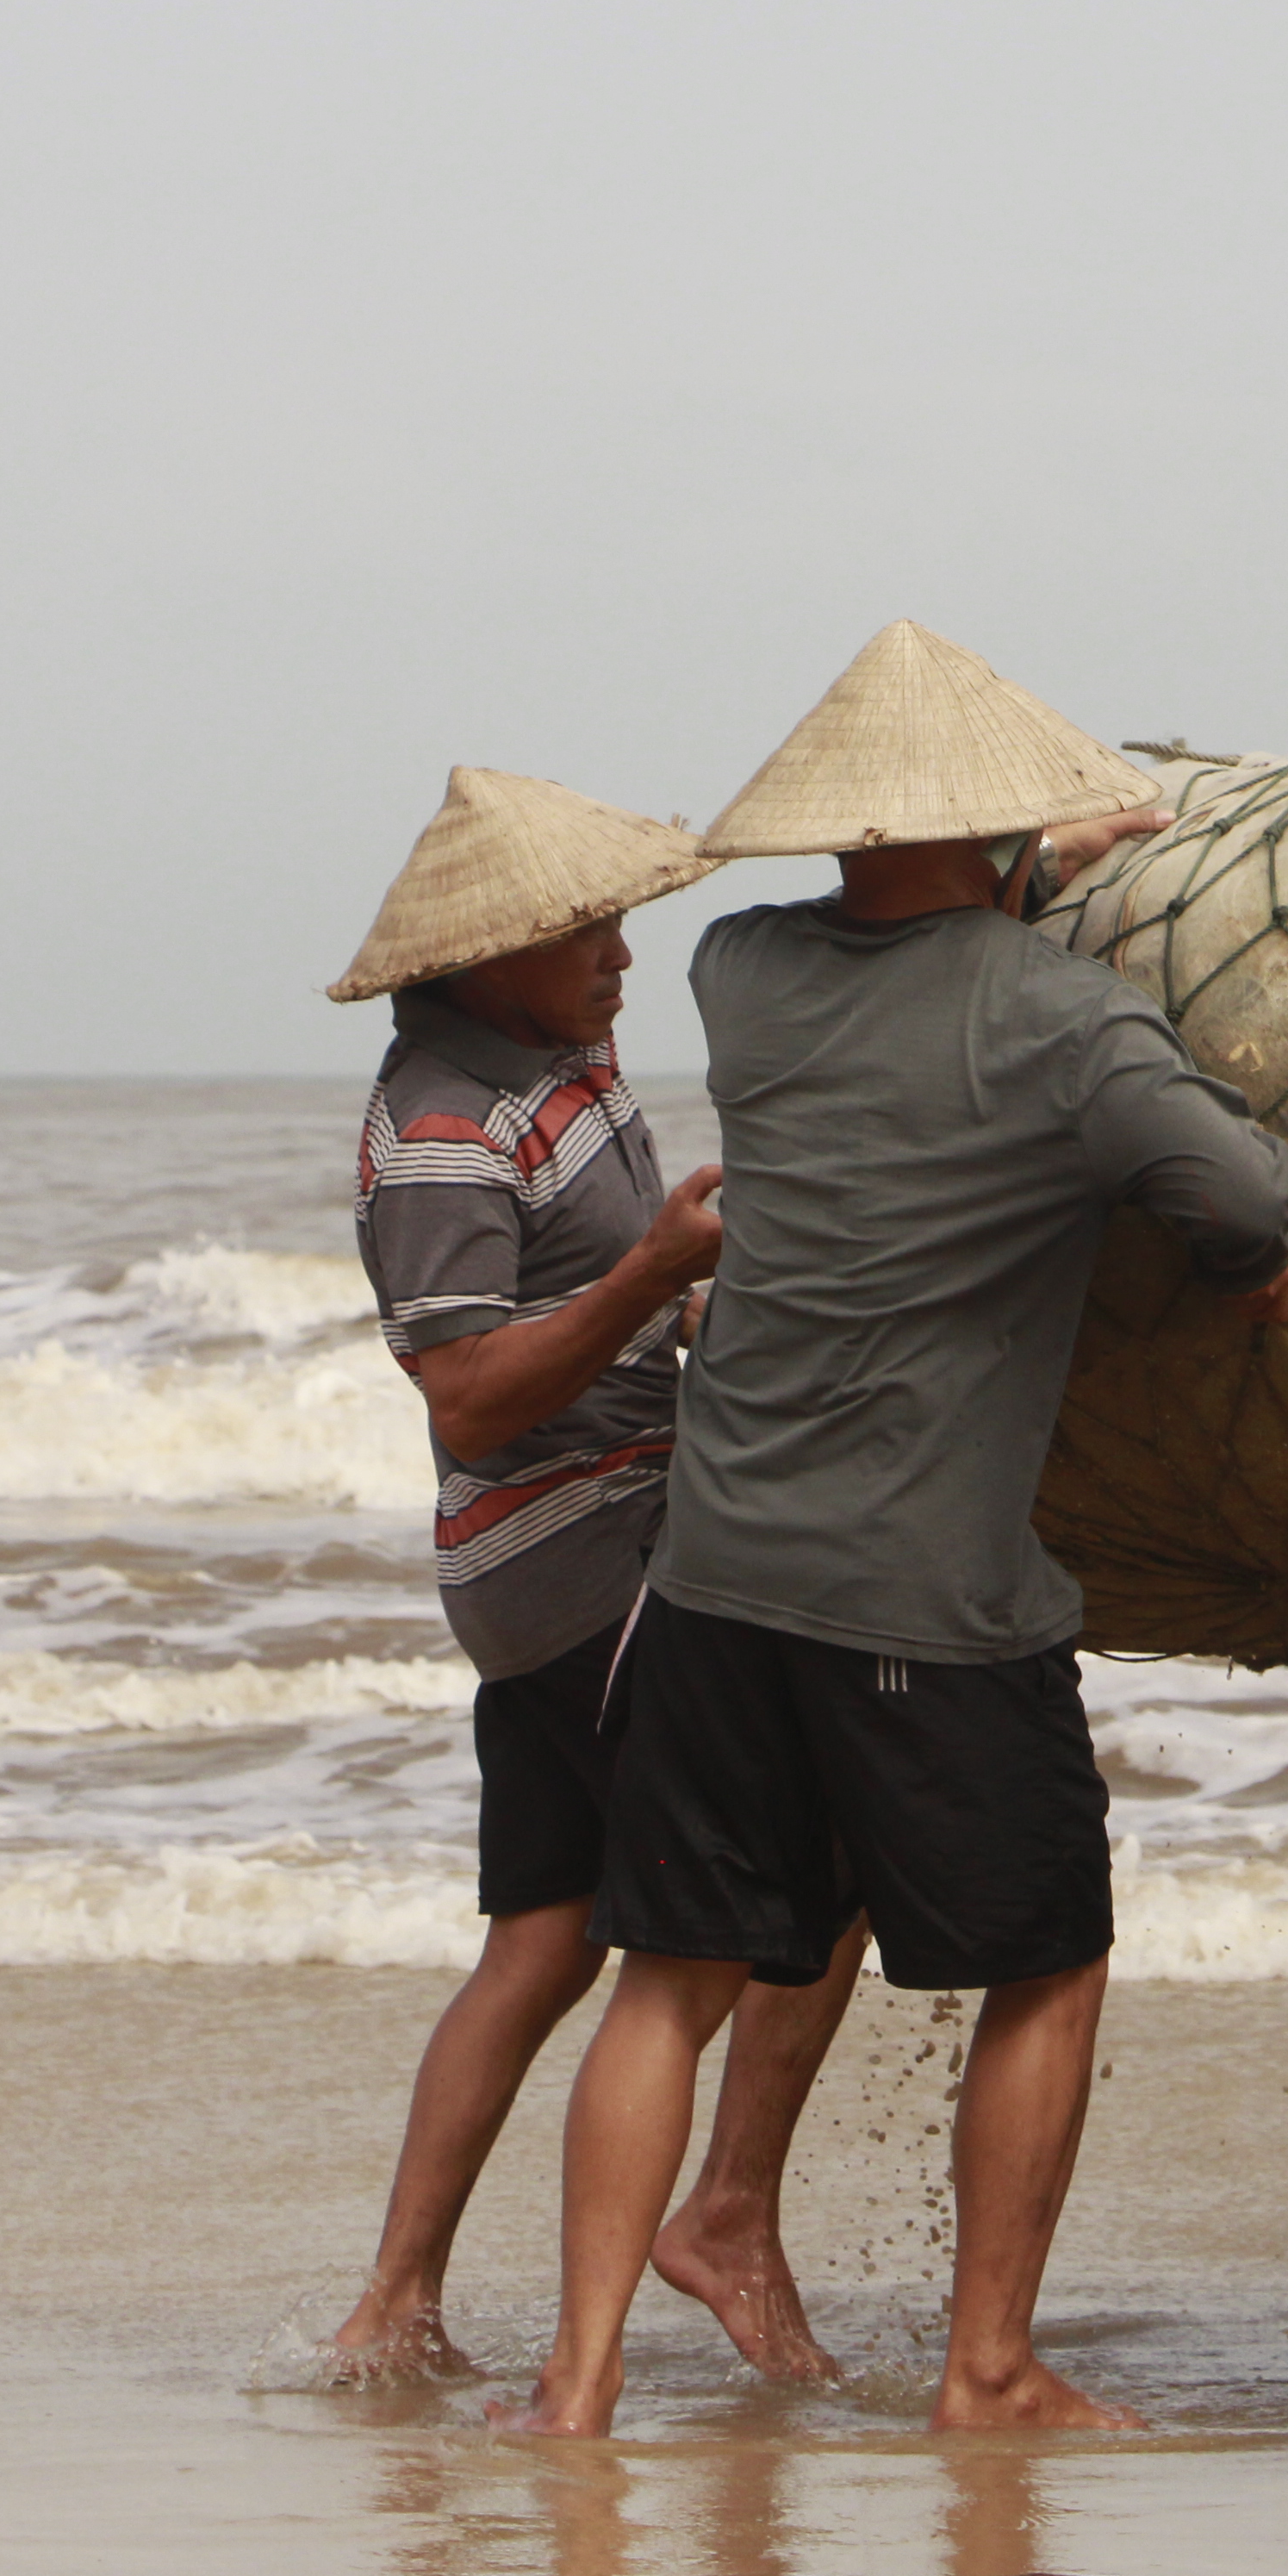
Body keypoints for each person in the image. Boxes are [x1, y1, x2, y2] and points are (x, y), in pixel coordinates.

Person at [504, 625, 1288, 2440]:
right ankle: (990, 2370)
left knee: (669, 1979)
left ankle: (574, 2387)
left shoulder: (744, 973)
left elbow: (902, 946)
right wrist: (1249, 1269)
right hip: (927, 1596)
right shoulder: (1066, 1022)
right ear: (1002, 833)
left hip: (716, 1575)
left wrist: (1029, 867)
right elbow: (1240, 1190)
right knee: (1049, 1962)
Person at [320, 766, 867, 2386]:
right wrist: (651, 1275)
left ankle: (395, 2302)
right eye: (586, 931)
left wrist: (679, 1302)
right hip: (587, 1564)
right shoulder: (440, 1128)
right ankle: (717, 2219)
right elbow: (471, 1393)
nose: (622, 953)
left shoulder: (556, 1063)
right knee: (810, 1873)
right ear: (490, 954)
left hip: (545, 1568)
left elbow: (590, 1304)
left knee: (545, 1942)